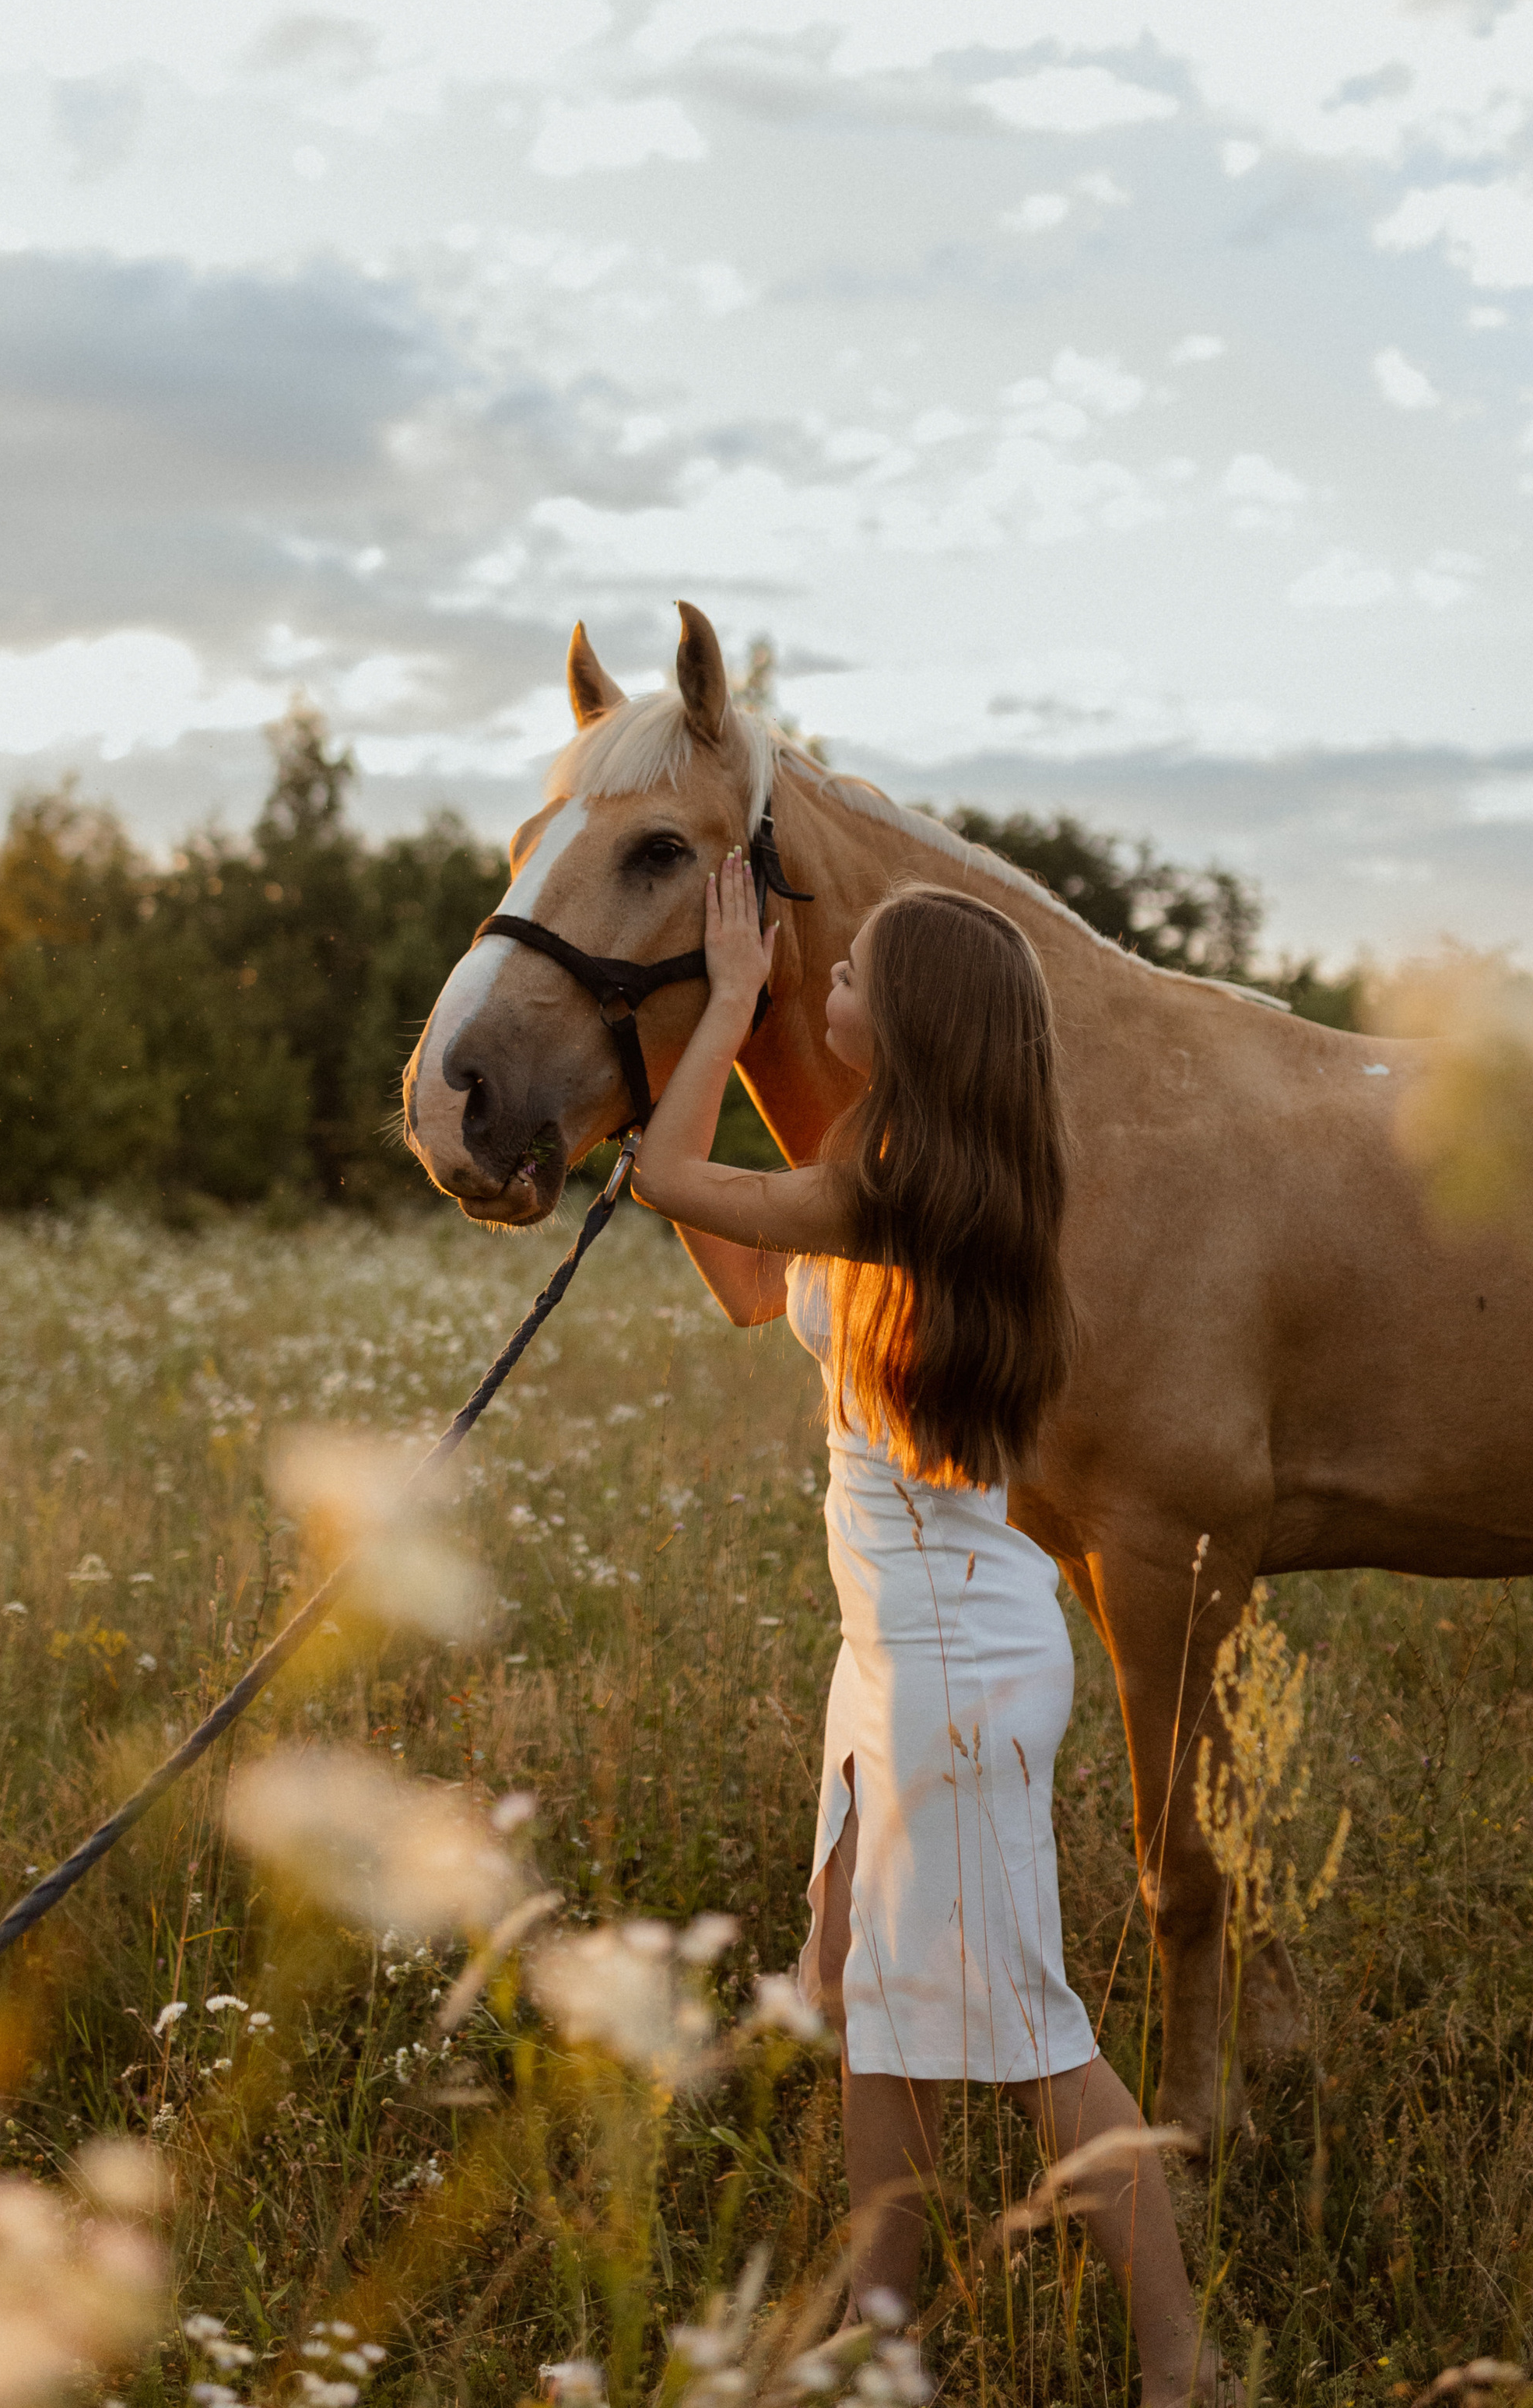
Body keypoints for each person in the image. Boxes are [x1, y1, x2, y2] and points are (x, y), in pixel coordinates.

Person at [630, 851, 1233, 2408]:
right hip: (908, 1648)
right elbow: (753, 1284)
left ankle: (1177, 2365)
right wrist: (706, 1032)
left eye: (847, 978)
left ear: (908, 1023)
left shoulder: (890, 1191)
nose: (821, 985)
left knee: (1031, 2029)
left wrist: (715, 1014)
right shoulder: (917, 1171)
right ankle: (879, 2319)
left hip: (950, 1668)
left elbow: (666, 1182)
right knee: (865, 1988)